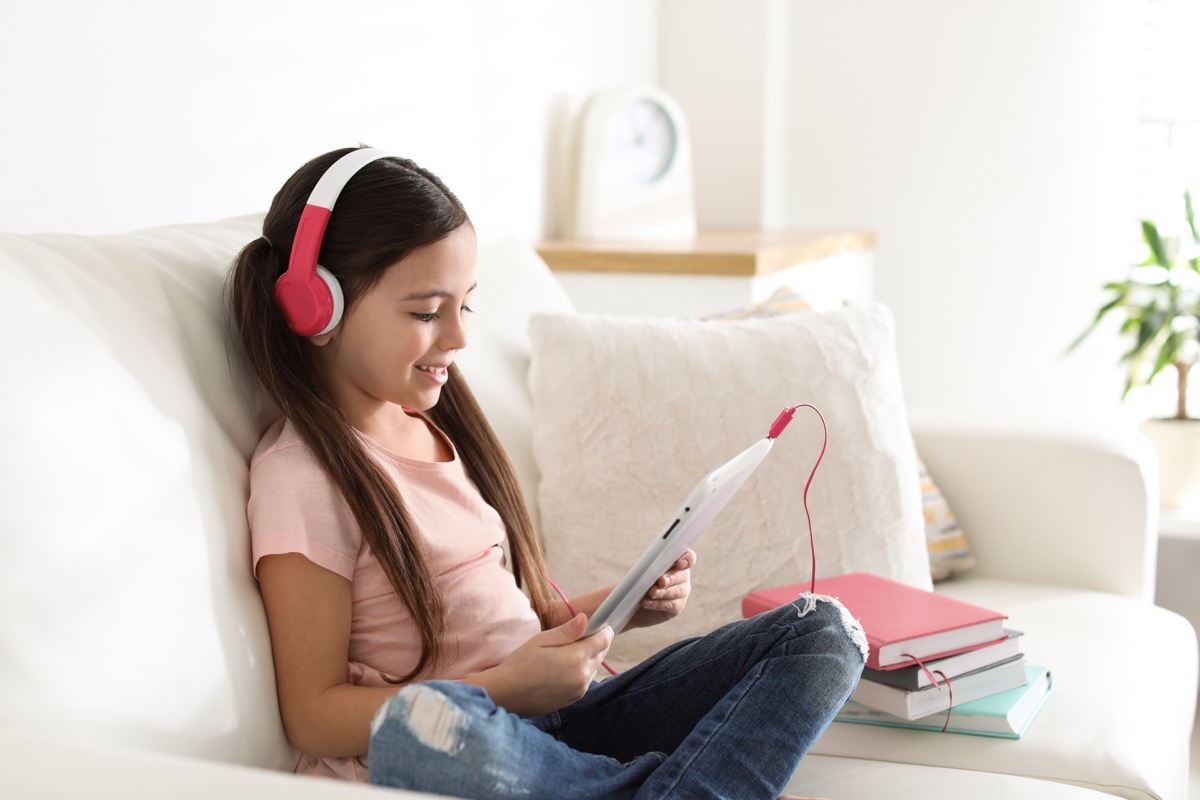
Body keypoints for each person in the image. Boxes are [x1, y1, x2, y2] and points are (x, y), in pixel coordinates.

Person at [226, 146, 867, 800]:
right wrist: (504, 690)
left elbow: (512, 622)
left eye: (465, 307)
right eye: (426, 312)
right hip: (472, 742)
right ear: (316, 309)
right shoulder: (302, 476)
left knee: (824, 632)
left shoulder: (438, 427)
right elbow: (311, 715)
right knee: (427, 725)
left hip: (563, 726)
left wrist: (621, 605)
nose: (459, 337)